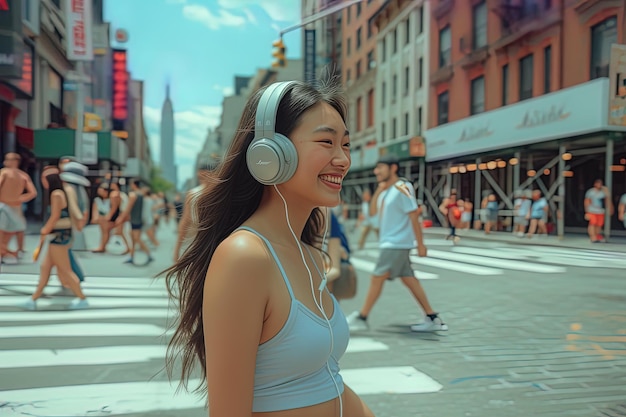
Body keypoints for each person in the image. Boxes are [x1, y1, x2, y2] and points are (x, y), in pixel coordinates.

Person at [164, 79, 374, 416]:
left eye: (346, 145)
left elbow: (325, 378)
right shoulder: (245, 256)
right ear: (270, 154)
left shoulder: (306, 251)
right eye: (326, 142)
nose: (343, 160)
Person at [346, 153, 447, 333]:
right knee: (409, 279)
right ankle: (432, 317)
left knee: (377, 277)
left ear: (393, 168)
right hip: (391, 241)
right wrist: (379, 189)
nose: (376, 171)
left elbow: (413, 214)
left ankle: (362, 317)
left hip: (396, 243)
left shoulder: (403, 186)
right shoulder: (387, 190)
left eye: (380, 167)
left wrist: (420, 244)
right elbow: (373, 211)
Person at [18, 172, 88, 310]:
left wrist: (45, 229)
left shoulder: (56, 194)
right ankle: (33, 299)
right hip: (59, 235)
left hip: (59, 236)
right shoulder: (60, 192)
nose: (42, 181)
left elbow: (55, 216)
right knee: (45, 268)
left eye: (44, 179)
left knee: (66, 270)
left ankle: (82, 298)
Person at [0, 152, 37, 260]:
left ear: (15, 161)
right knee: (17, 230)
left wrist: (19, 198)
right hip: (15, 206)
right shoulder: (23, 175)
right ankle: (16, 250)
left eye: (8, 159)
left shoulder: (4, 173)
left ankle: (8, 252)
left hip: (4, 205)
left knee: (3, 231)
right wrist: (19, 199)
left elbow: (33, 193)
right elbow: (33, 193)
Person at [173, 163, 212, 262]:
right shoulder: (193, 194)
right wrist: (177, 248)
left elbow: (185, 221)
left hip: (201, 242)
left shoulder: (194, 194)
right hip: (201, 242)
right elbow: (185, 221)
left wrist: (177, 248)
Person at [116, 179, 153, 265]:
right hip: (138, 219)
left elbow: (128, 208)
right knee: (133, 238)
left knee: (136, 238)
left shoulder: (133, 195)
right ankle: (131, 256)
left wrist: (121, 218)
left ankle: (148, 254)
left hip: (135, 220)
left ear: (134, 185)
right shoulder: (141, 194)